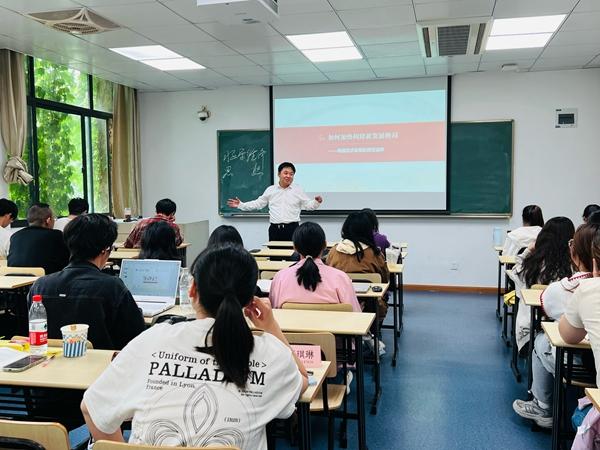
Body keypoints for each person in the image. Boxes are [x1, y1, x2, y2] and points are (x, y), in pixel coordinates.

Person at [81, 245, 308, 449]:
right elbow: (302, 380)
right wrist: (271, 327)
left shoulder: (153, 339)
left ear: (192, 290)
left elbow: (91, 408)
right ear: (251, 299)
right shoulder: (271, 354)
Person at [512, 223, 597, 428]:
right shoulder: (567, 272)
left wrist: (528, 250)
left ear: (575, 254)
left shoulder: (565, 287)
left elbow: (565, 333)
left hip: (576, 365)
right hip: (592, 368)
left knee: (542, 340)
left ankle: (543, 406)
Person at [28, 214, 145, 350]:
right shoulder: (112, 287)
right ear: (105, 249)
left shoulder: (40, 286)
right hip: (102, 362)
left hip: (51, 361)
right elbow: (136, 336)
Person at [511, 216, 574, 352]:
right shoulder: (572, 267)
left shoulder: (531, 264)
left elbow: (514, 273)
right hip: (564, 332)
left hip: (528, 332)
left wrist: (528, 250)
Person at [270, 222, 361, 311]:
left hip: (290, 322)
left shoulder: (280, 278)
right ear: (325, 245)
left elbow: (273, 313)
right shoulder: (340, 278)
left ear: (295, 248)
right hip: (330, 322)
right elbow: (354, 313)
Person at [227, 162, 323, 241]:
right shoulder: (270, 190)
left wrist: (316, 202)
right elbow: (258, 204)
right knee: (274, 256)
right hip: (275, 230)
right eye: (285, 173)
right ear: (279, 174)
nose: (288, 176)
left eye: (291, 174)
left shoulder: (298, 190)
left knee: (293, 256)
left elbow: (308, 205)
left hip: (293, 229)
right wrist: (241, 205)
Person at [8, 203, 69, 274]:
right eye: (54, 219)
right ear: (48, 220)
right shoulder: (56, 235)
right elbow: (68, 261)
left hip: (14, 279)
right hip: (46, 279)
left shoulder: (15, 236)